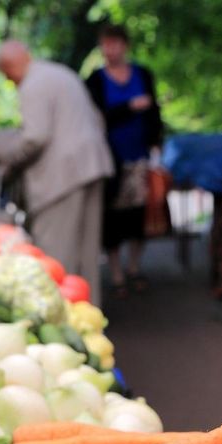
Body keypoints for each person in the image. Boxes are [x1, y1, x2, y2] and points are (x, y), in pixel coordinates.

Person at [0, 41, 113, 304]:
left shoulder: (33, 85)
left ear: (8, 67)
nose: (8, 81)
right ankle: (90, 312)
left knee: (56, 256)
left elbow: (35, 137)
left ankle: (62, 316)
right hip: (91, 165)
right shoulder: (59, 73)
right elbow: (97, 119)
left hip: (62, 176)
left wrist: (8, 161)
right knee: (87, 252)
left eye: (5, 74)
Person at [86, 23, 163, 296]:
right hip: (110, 158)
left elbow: (154, 113)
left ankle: (134, 267)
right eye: (106, 44)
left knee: (140, 214)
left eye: (115, 43)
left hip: (139, 156)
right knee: (114, 217)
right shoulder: (95, 80)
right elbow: (94, 118)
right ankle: (117, 273)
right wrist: (129, 107)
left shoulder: (142, 74)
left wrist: (156, 146)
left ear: (125, 45)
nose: (111, 49)